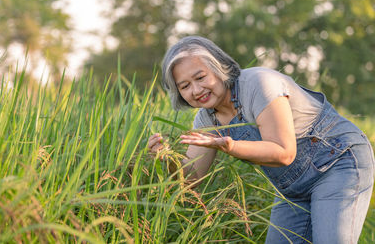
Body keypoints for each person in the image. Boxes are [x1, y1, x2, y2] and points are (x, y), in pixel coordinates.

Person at [148, 36, 374, 243]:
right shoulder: (206, 119)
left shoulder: (259, 84)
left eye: (200, 77)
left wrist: (231, 146)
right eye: (185, 86)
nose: (196, 90)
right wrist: (166, 159)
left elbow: (284, 153)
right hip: (292, 188)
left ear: (218, 68)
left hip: (338, 162)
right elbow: (192, 179)